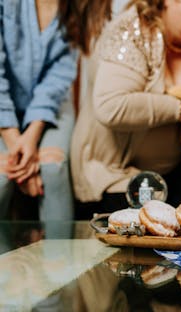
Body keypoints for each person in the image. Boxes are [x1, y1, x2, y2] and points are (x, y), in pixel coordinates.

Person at [71, 0, 181, 215]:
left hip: (173, 172)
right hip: (115, 175)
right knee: (144, 228)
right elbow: (111, 106)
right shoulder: (133, 31)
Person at [0, 0, 112, 237]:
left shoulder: (79, 8)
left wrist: (31, 137)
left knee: (53, 167)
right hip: (3, 103)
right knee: (3, 175)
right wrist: (15, 147)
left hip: (51, 105)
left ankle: (60, 264)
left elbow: (58, 77)